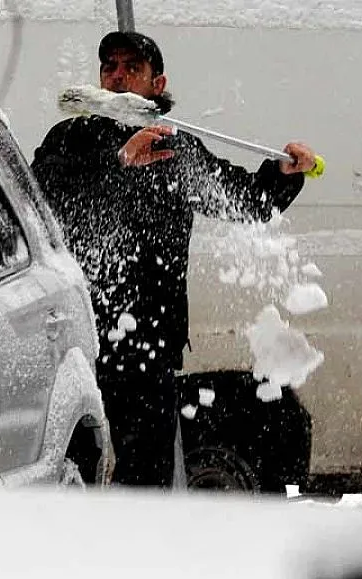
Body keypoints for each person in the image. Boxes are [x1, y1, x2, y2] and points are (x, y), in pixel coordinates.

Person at [31, 30, 317, 487]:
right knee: (79, 487)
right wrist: (120, 163)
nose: (118, 77)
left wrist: (282, 174)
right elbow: (41, 205)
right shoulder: (71, 139)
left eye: (132, 69)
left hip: (151, 351)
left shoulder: (174, 149)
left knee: (145, 486)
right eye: (110, 67)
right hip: (80, 346)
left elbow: (242, 201)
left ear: (157, 83)